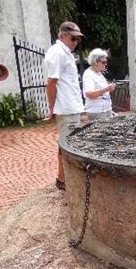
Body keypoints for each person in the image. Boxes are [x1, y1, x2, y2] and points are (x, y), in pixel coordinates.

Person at [44, 21, 85, 191]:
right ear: (62, 36)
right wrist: (51, 109)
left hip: (71, 107)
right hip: (66, 108)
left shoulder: (65, 52)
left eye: (78, 39)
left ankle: (65, 178)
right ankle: (62, 179)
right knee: (66, 144)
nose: (76, 42)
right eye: (73, 38)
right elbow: (51, 83)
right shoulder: (57, 53)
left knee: (69, 143)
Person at [82, 48, 117, 121]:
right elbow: (89, 94)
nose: (105, 64)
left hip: (105, 110)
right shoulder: (89, 75)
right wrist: (106, 89)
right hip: (97, 112)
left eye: (106, 62)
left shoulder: (99, 73)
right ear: (95, 61)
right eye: (103, 62)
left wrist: (109, 89)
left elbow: (102, 92)